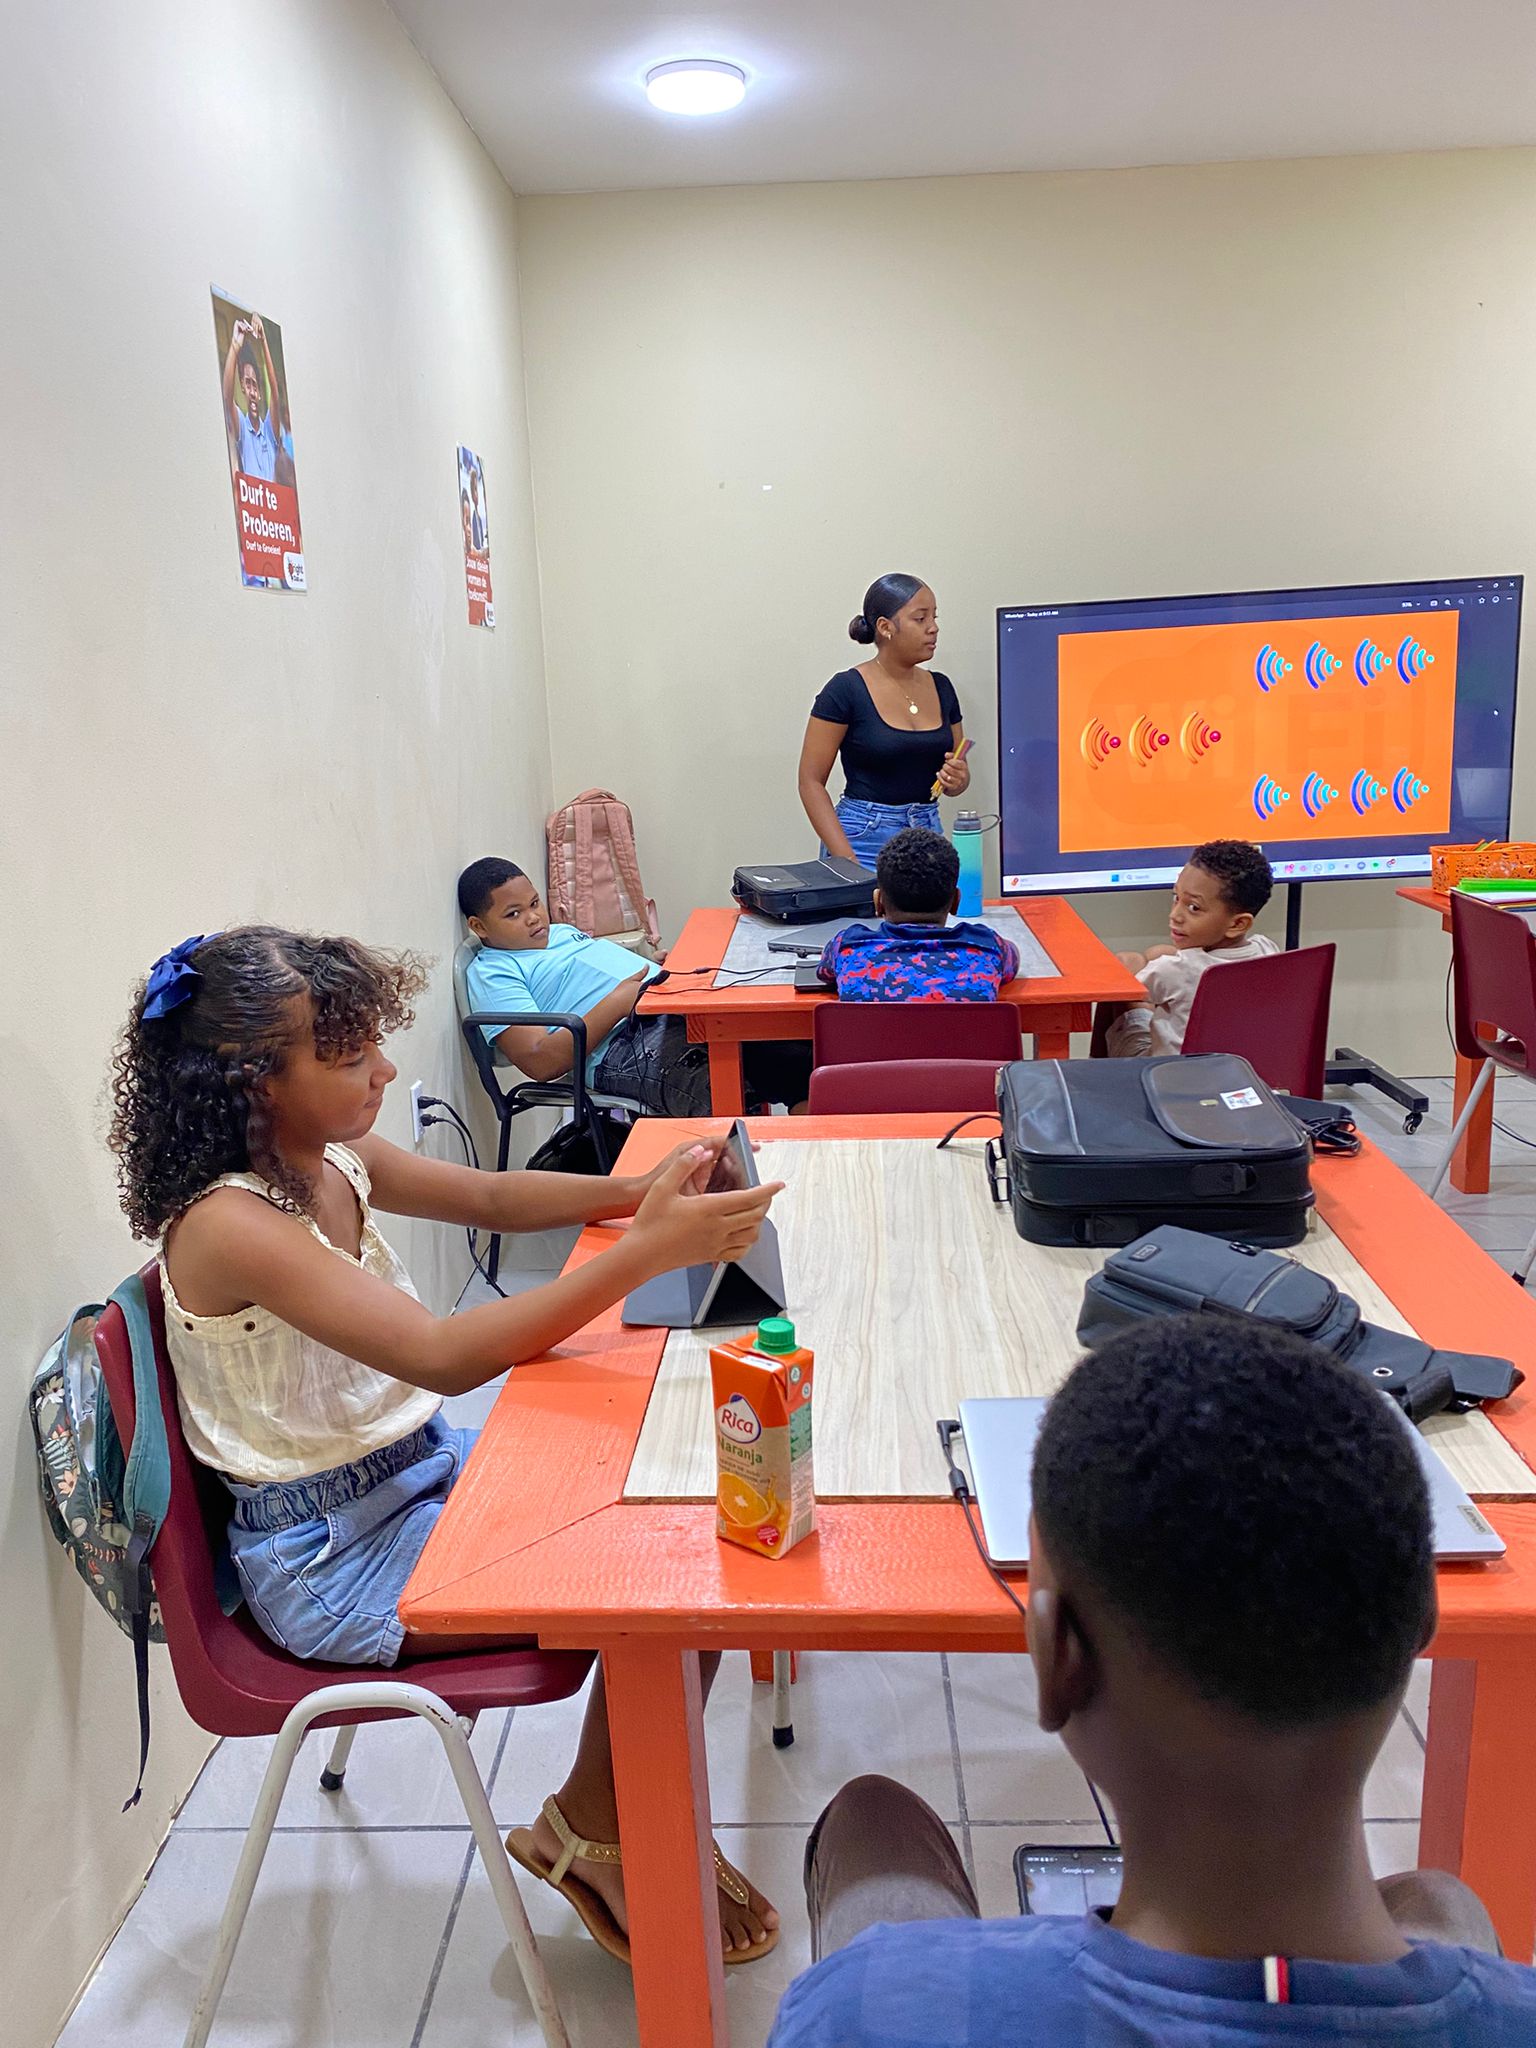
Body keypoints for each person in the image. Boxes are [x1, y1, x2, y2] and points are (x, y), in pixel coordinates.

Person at [108, 925, 782, 1965]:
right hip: (331, 1555)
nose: (385, 1071)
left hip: (413, 1474)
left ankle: (601, 1810)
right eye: (349, 1057)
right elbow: (443, 1354)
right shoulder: (228, 1224)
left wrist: (635, 1193)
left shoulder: (328, 1156)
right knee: (666, 1577)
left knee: (674, 1501)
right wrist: (648, 1251)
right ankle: (600, 1829)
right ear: (253, 1085)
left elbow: (494, 1198)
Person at [769, 1316, 1536, 2045]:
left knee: (872, 1818)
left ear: (1058, 1660)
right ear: (1420, 1625)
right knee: (1441, 1899)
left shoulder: (855, 2014)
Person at [460, 857, 811, 1112]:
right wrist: (618, 1003)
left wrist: (651, 964)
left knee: (799, 1060)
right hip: (619, 1046)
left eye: (535, 903)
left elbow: (594, 973)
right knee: (726, 1098)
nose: (534, 917)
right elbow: (540, 1062)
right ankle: (757, 1181)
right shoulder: (493, 972)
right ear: (479, 926)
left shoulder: (561, 933)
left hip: (668, 1006)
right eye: (514, 914)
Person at [798, 573, 970, 868]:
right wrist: (845, 858)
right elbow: (810, 782)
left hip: (927, 832)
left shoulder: (942, 687)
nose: (933, 628)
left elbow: (955, 776)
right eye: (920, 619)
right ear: (885, 627)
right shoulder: (845, 689)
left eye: (935, 617)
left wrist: (959, 779)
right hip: (862, 836)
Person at [1105, 838, 1278, 1057]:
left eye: (1194, 907)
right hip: (1237, 1068)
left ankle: (1101, 1068)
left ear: (1237, 924)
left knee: (1126, 964)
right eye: (1176, 897)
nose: (1175, 915)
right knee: (1160, 952)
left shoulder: (1180, 970)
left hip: (1167, 1072)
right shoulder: (1267, 949)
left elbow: (1123, 989)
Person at [817, 827, 1019, 1001]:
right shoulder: (987, 947)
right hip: (959, 1038)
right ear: (956, 901)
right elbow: (1012, 959)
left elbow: (825, 973)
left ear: (878, 902)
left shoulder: (847, 947)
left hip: (872, 1037)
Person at [221, 312, 284, 484]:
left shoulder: (269, 431)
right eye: (248, 384)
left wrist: (263, 341)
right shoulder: (242, 427)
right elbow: (227, 397)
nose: (253, 392)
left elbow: (275, 395)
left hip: (273, 498)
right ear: (242, 387)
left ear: (260, 393)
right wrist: (235, 346)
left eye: (255, 386)